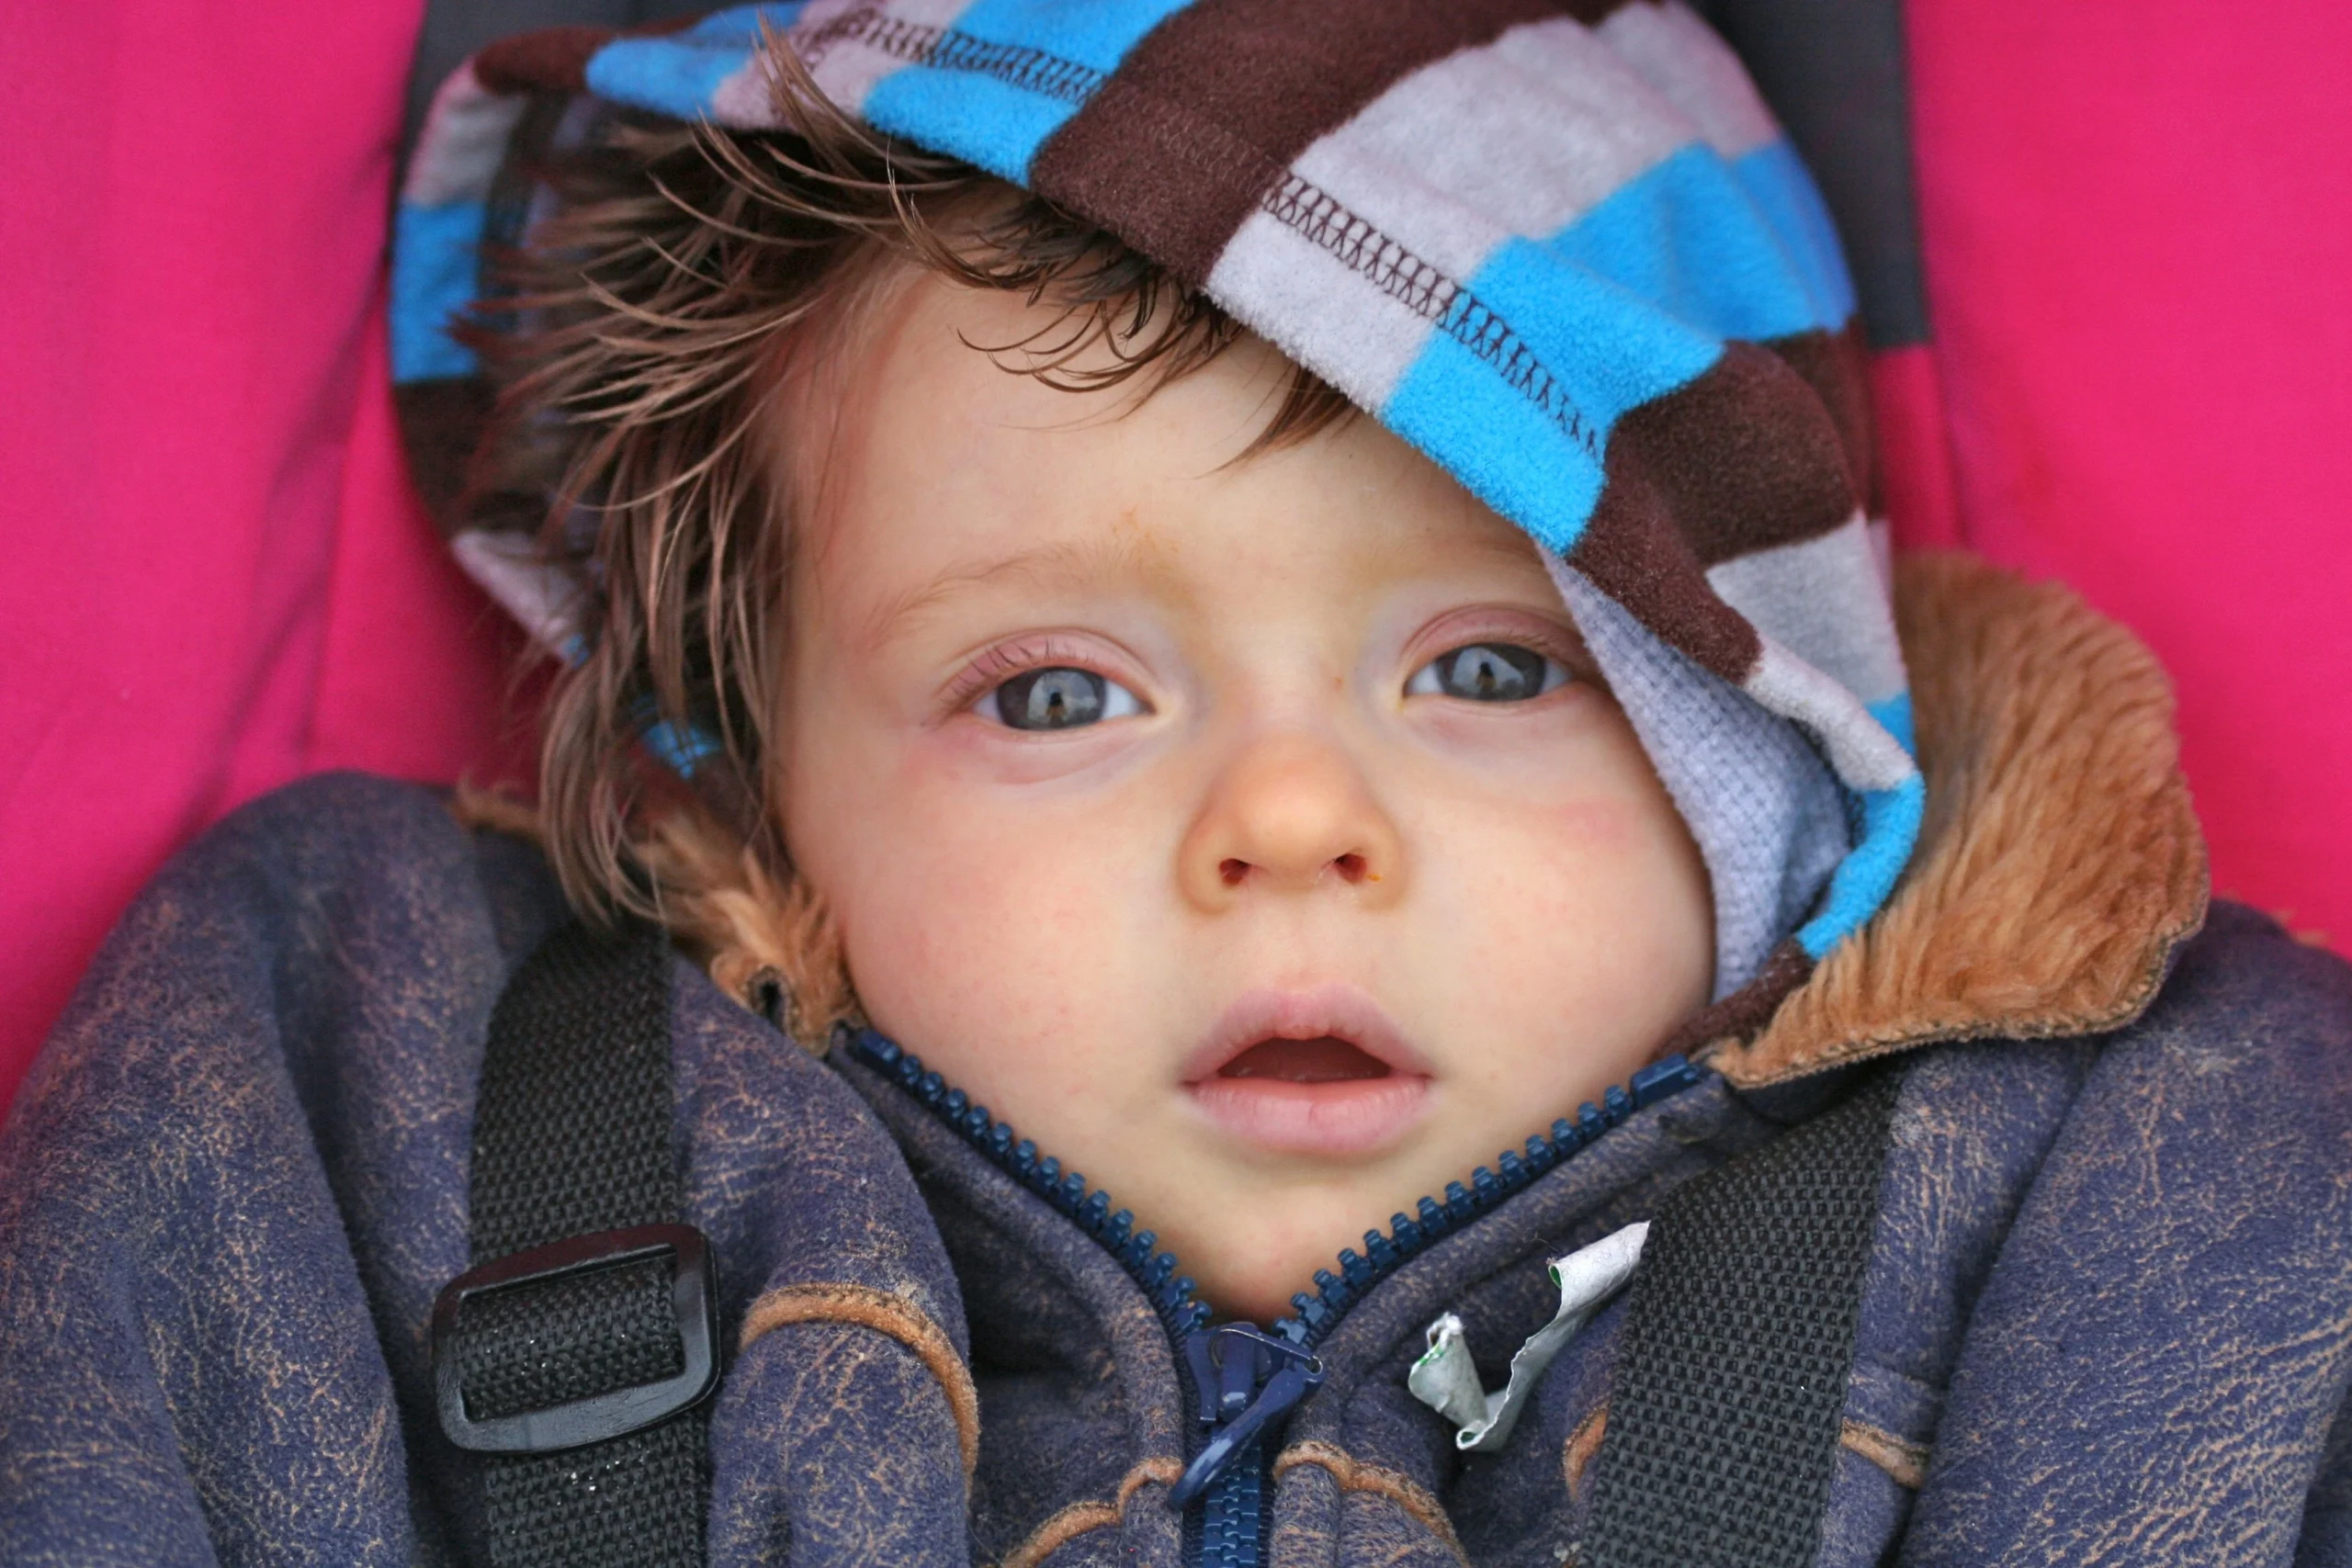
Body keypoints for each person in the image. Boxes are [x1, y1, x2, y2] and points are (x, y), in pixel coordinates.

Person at [4, 5, 2348, 1565]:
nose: (1287, 825)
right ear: (744, 767)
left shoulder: (2153, 1190)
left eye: (1485, 665)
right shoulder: (376, 1079)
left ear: (1772, 739)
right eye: (1052, 696)